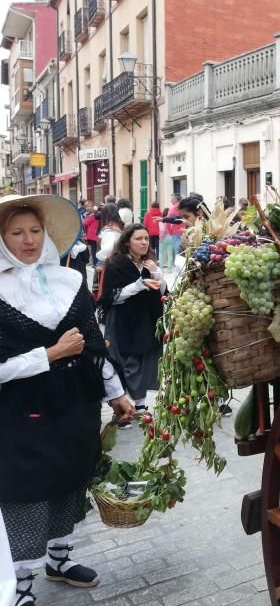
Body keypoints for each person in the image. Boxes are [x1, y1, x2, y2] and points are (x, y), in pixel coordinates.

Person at [0, 194, 134, 605]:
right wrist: (49, 355)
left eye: (36, 231)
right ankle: (19, 585)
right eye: (17, 233)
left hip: (75, 406)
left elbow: (93, 347)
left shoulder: (69, 281)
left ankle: (59, 558)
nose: (29, 241)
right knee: (27, 492)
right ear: (2, 239)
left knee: (69, 481)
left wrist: (118, 395)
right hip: (20, 414)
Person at [98, 225, 165, 421]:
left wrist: (157, 275)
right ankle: (120, 407)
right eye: (139, 239)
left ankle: (141, 405)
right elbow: (112, 297)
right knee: (122, 362)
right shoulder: (116, 264)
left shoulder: (149, 263)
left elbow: (162, 293)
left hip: (145, 318)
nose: (144, 242)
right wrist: (138, 285)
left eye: (146, 238)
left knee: (144, 361)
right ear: (128, 241)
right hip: (122, 320)